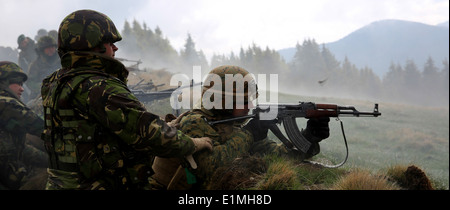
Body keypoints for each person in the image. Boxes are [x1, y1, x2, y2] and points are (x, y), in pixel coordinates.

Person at [40, 9, 212, 190]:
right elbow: (153, 137)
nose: (115, 48)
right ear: (94, 45)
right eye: (109, 42)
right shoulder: (100, 87)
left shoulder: (54, 82)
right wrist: (193, 143)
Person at [149, 65, 330, 190]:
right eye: (244, 101)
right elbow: (208, 170)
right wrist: (249, 134)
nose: (250, 105)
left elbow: (280, 157)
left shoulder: (234, 127)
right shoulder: (194, 123)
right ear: (222, 101)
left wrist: (309, 137)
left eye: (251, 99)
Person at [0, 61, 47, 190]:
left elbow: (21, 148)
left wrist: (46, 160)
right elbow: (42, 129)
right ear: (4, 82)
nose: (22, 88)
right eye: (18, 83)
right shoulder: (7, 103)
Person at [27, 35, 61, 100]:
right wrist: (43, 86)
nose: (50, 49)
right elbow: (30, 82)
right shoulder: (35, 65)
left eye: (52, 47)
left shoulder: (61, 59)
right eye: (47, 48)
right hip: (42, 95)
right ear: (42, 50)